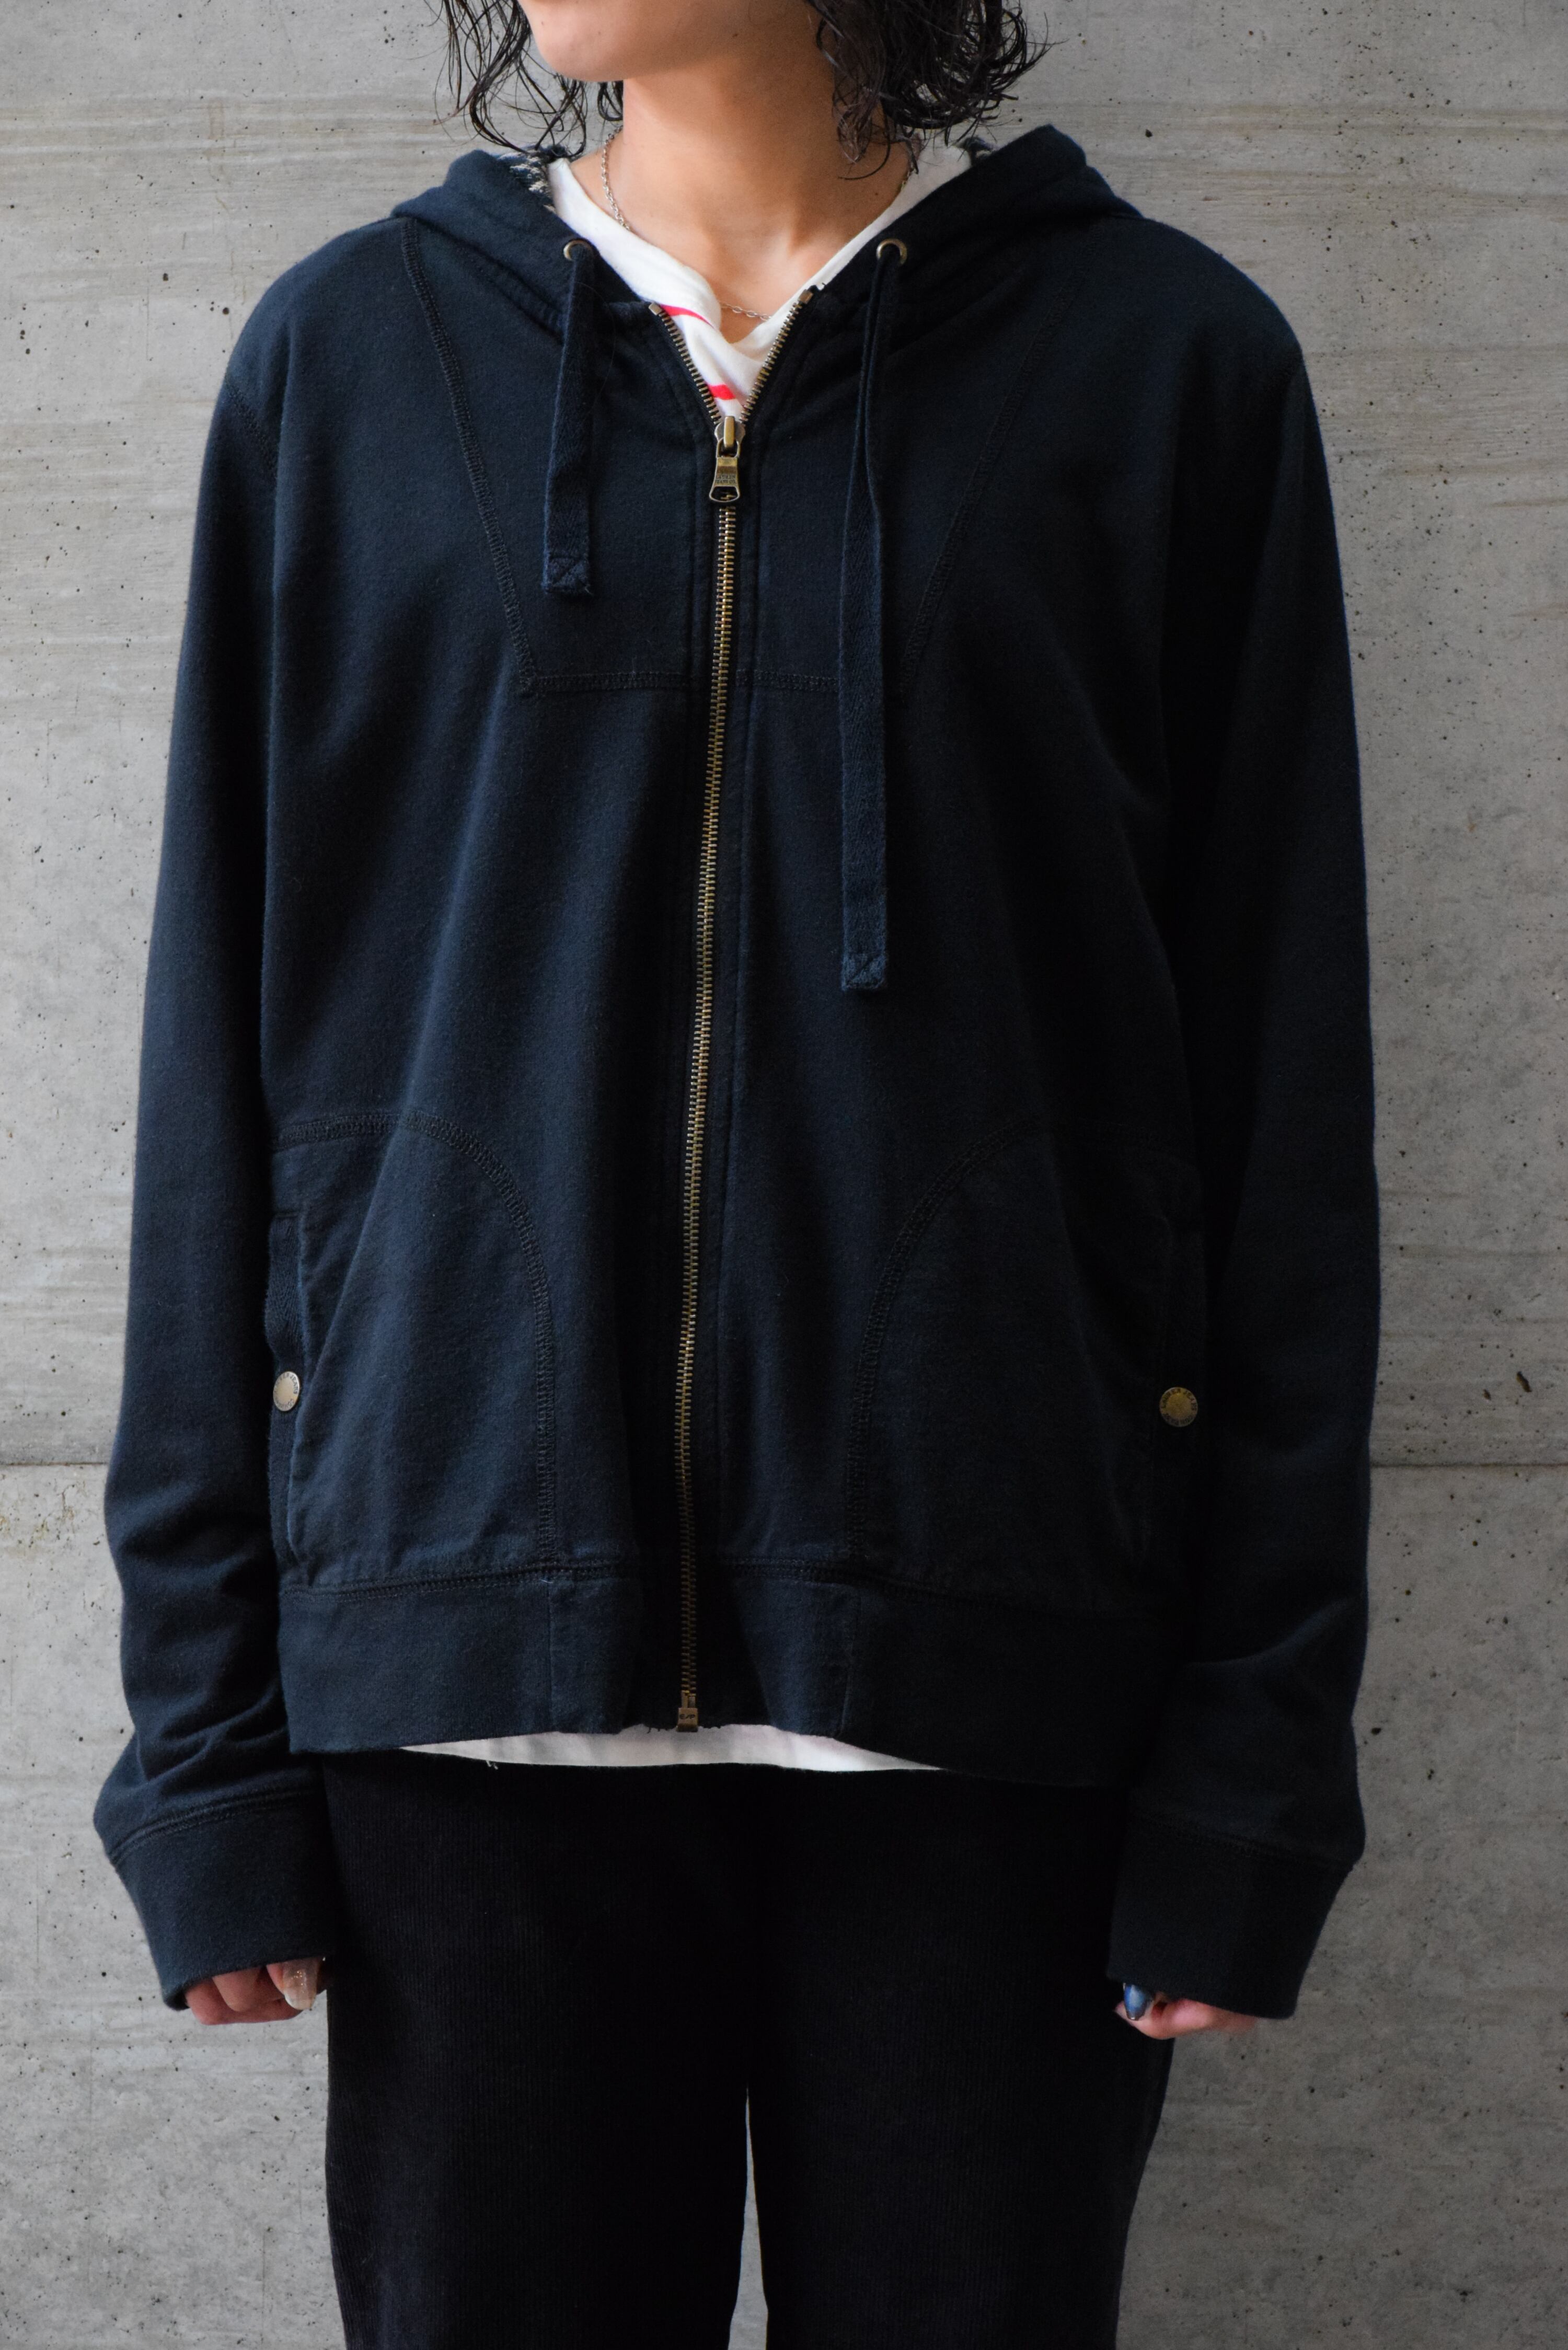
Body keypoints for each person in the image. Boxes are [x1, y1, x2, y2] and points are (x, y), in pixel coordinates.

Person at [94, 1, 1379, 2342]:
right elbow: (222, 1076)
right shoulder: (353, 359)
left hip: (990, 1676)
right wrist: (204, 1751)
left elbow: (1281, 1112)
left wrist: (1256, 1762)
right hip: (469, 1683)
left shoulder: (1165, 366)